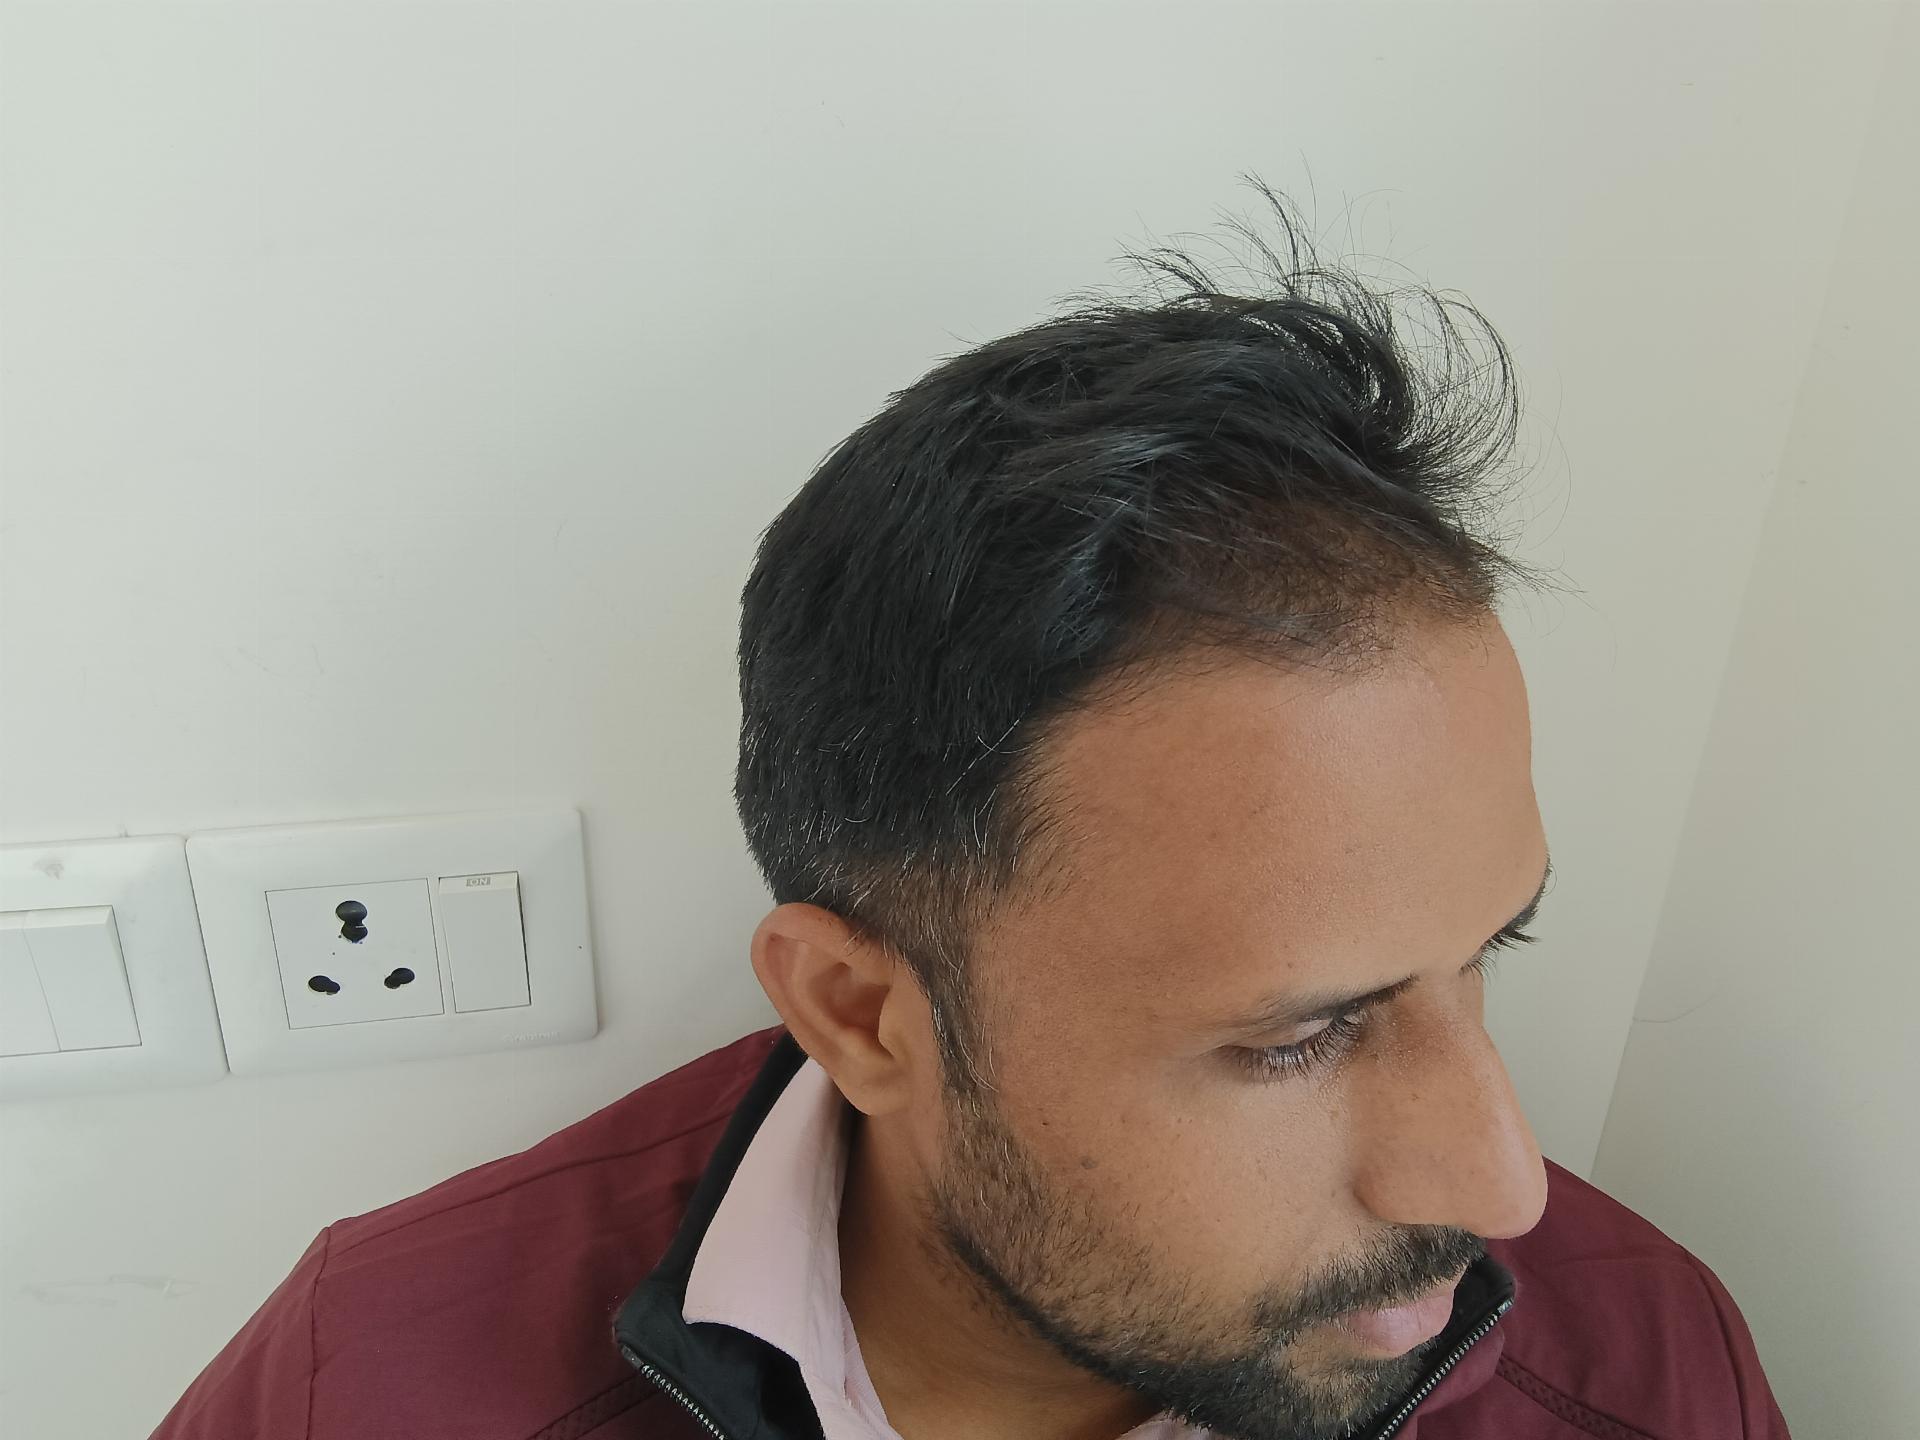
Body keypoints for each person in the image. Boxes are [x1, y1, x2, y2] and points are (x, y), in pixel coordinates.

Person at [151, 179, 1791, 1440]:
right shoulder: (374, 1383)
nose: (1501, 1187)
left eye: (1489, 949)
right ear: (860, 1013)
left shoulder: (1641, 1372)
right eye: (1299, 1039)